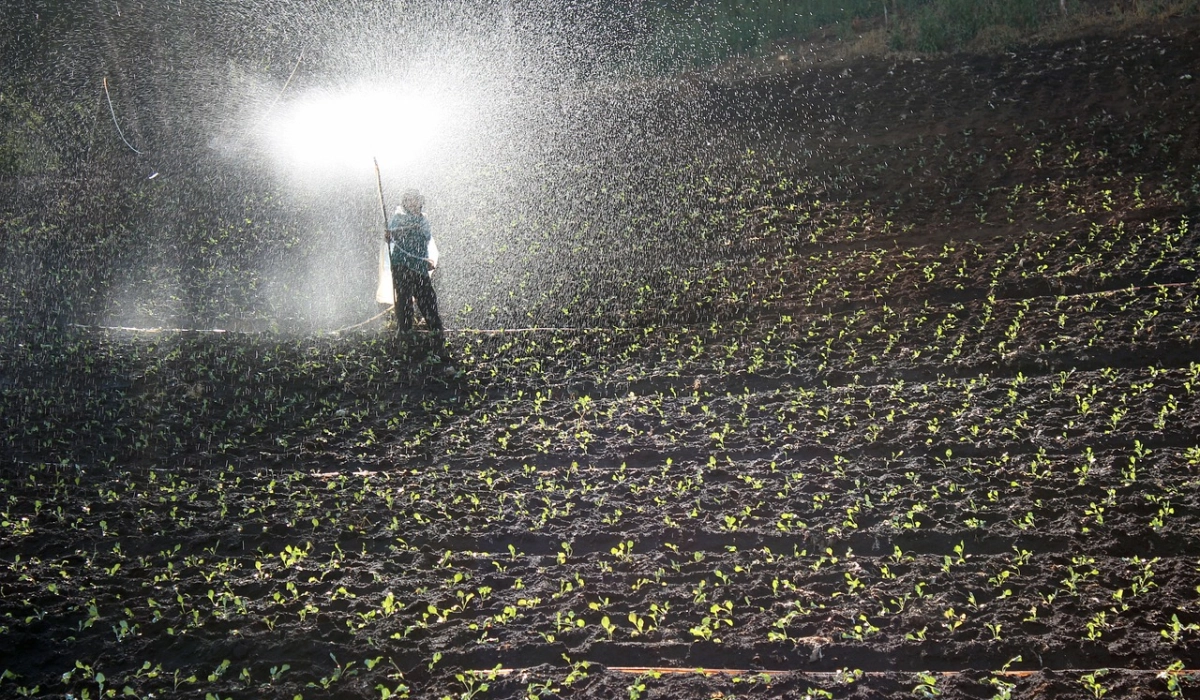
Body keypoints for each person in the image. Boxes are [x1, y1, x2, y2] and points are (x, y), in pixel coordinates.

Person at [386, 190, 443, 337]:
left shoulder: (423, 220)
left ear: (420, 202)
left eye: (415, 200)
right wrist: (391, 234)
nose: (412, 203)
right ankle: (405, 330)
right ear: (404, 203)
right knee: (403, 297)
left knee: (426, 296)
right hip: (401, 263)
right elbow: (390, 236)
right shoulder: (398, 218)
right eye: (409, 200)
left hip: (419, 265)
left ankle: (435, 328)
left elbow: (426, 236)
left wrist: (408, 229)